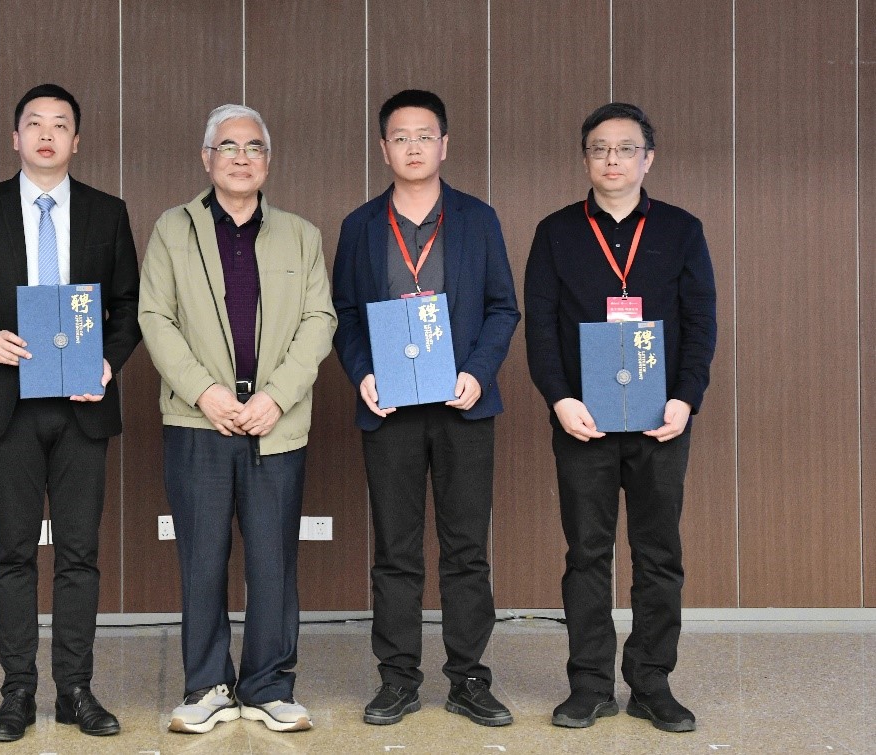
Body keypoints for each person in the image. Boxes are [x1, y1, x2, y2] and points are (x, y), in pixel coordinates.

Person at [0, 84, 140, 741]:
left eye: (60, 125)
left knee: (79, 553)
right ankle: (17, 690)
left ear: (77, 140)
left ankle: (75, 689)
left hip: (83, 405)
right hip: (9, 403)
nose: (47, 135)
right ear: (15, 137)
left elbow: (129, 306)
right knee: (14, 552)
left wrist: (108, 361)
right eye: (35, 124)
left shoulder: (106, 211)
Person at [139, 104, 336, 735]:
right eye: (228, 146)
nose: (241, 157)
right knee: (202, 559)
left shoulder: (301, 235)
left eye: (254, 147)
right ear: (207, 158)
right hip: (199, 422)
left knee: (273, 561)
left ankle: (269, 687)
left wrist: (275, 396)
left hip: (276, 421)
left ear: (268, 162)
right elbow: (155, 318)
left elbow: (320, 321)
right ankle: (207, 686)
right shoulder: (173, 229)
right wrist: (205, 393)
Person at [524, 102, 717, 733]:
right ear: (585, 158)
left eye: (625, 148)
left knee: (658, 554)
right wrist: (560, 399)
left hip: (662, 418)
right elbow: (541, 328)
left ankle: (652, 682)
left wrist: (686, 398)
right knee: (587, 553)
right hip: (584, 421)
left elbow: (701, 322)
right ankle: (589, 685)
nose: (612, 159)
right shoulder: (556, 231)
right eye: (600, 149)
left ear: (647, 158)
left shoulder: (681, 229)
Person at [332, 89, 519, 728]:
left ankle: (469, 679)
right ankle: (397, 679)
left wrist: (478, 373)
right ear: (383, 148)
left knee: (466, 550)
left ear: (444, 145)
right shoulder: (360, 225)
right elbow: (344, 314)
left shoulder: (477, 219)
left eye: (424, 136)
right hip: (390, 410)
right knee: (396, 550)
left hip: (463, 405)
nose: (412, 147)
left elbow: (502, 307)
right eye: (400, 137)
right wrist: (362, 373)